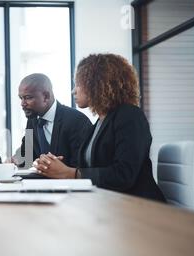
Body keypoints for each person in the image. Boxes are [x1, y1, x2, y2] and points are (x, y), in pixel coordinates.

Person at [34, 53, 166, 202]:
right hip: (108, 202)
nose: (73, 91)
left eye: (78, 84)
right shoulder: (99, 122)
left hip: (139, 206)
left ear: (96, 84)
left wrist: (70, 173)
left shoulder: (130, 116)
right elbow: (92, 167)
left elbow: (124, 175)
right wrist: (58, 166)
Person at [12, 73, 91, 168]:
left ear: (46, 96)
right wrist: (14, 160)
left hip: (68, 181)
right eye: (21, 98)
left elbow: (81, 166)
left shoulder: (76, 121)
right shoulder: (32, 119)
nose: (22, 103)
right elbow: (27, 156)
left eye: (28, 97)